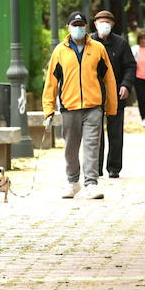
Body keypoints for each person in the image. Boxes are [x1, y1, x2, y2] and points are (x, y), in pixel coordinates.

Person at [43, 10, 118, 200]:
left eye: (81, 25)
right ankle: (72, 182)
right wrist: (48, 109)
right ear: (68, 28)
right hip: (69, 107)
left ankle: (91, 183)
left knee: (92, 146)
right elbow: (51, 82)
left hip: (93, 107)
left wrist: (111, 107)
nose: (78, 28)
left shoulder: (98, 49)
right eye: (74, 25)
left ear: (86, 27)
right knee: (71, 147)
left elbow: (109, 78)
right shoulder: (60, 51)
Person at [91, 9, 136, 179]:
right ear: (95, 24)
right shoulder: (89, 42)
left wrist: (126, 85)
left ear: (113, 24)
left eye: (107, 22)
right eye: (101, 22)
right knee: (95, 133)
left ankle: (114, 167)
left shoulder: (121, 44)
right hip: (94, 95)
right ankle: (95, 167)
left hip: (116, 95)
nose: (104, 25)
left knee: (115, 133)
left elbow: (130, 66)